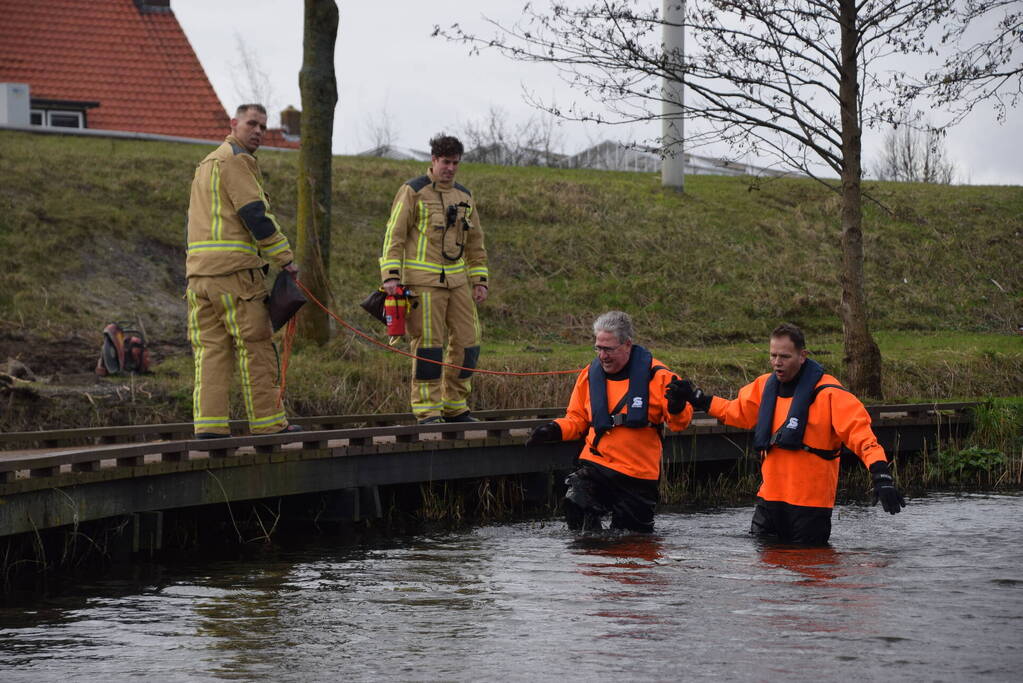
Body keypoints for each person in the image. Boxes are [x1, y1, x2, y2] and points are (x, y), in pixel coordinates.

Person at [667, 323, 905, 545]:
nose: (777, 362)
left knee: (808, 582)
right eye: (773, 356)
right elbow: (734, 411)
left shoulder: (831, 395)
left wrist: (881, 476)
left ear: (803, 356)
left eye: (784, 356)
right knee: (767, 583)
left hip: (809, 508)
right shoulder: (763, 387)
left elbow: (863, 438)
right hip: (769, 503)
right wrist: (698, 398)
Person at [185, 103, 302, 439]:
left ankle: (210, 428)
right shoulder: (236, 161)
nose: (258, 131)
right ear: (234, 123)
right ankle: (268, 424)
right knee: (257, 345)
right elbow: (255, 214)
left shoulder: (206, 164)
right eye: (252, 124)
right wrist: (285, 258)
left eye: (263, 126)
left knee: (211, 350)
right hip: (235, 275)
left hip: (199, 277)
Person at [526, 311, 694, 532]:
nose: (602, 356)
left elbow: (680, 423)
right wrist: (553, 429)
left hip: (637, 474)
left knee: (632, 544)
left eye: (608, 349)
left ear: (627, 344)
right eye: (598, 348)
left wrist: (677, 406)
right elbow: (576, 419)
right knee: (575, 502)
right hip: (597, 465)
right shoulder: (589, 375)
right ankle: (591, 557)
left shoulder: (660, 377)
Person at [378, 134, 489, 424]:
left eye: (455, 163)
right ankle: (427, 409)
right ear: (433, 160)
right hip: (423, 284)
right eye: (445, 162)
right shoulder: (413, 191)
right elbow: (395, 235)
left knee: (469, 343)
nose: (450, 168)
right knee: (429, 345)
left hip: (458, 283)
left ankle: (455, 404)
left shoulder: (464, 196)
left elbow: (476, 242)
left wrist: (479, 279)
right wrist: (391, 276)